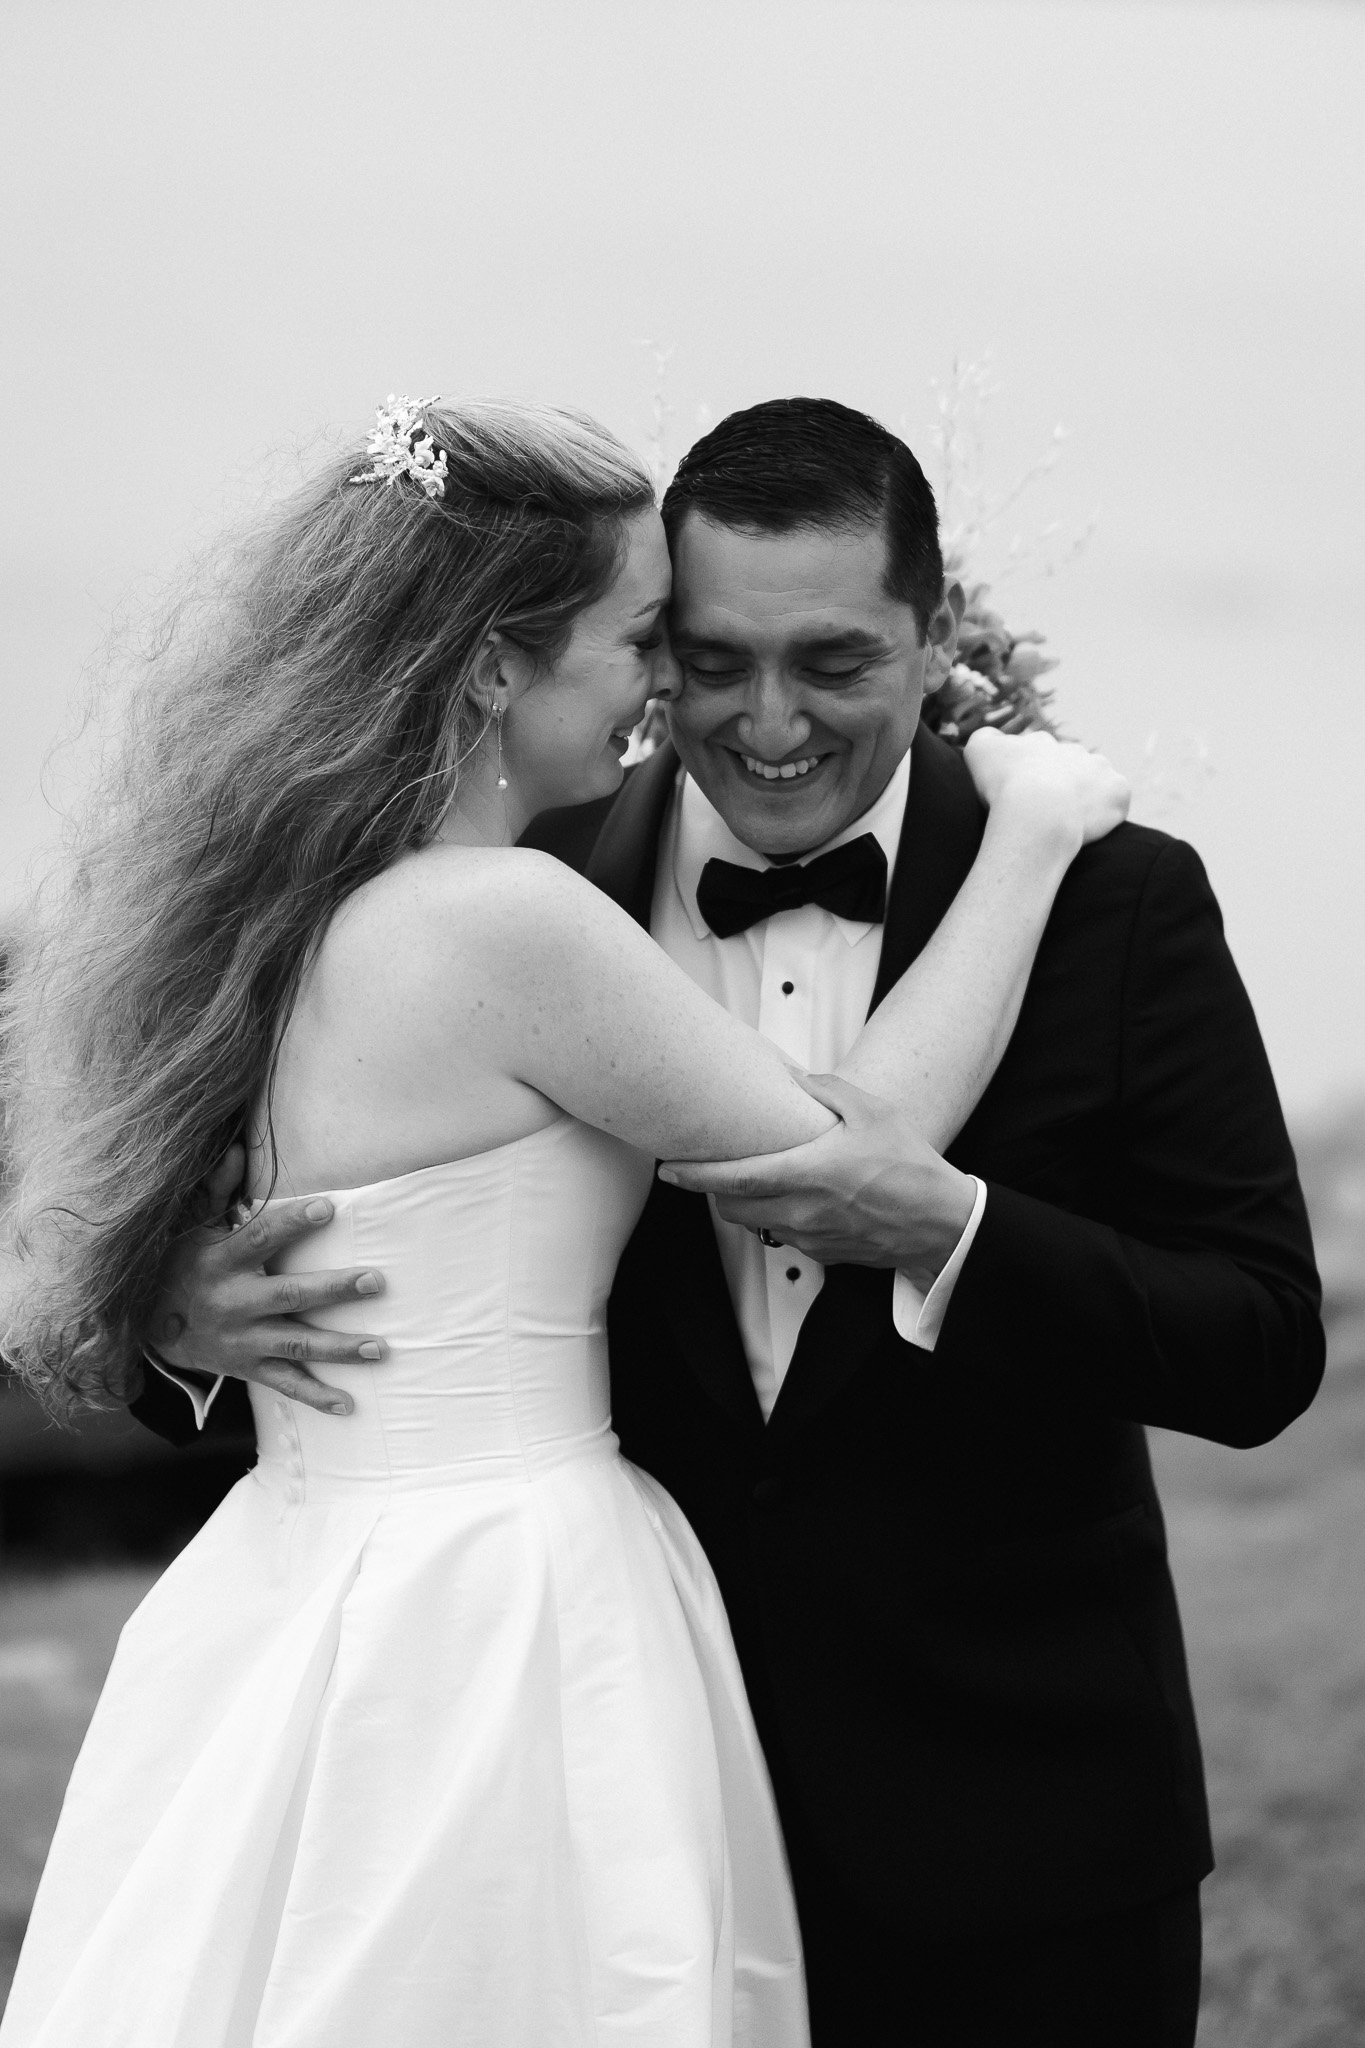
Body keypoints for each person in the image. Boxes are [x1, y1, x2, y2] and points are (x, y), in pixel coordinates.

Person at [139, 398, 1326, 2048]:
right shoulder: (517, 891)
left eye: (833, 663)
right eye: (698, 659)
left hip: (1023, 1833)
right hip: (599, 1802)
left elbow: (1256, 1339)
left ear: (936, 641)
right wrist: (174, 1318)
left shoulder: (1119, 908)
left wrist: (957, 1236)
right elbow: (313, 1233)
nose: (767, 723)